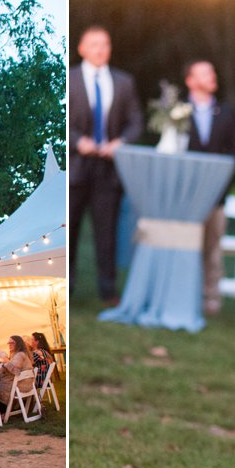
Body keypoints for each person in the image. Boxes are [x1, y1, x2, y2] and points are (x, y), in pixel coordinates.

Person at [68, 25, 144, 305]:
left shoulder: (124, 81)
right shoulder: (70, 78)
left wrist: (121, 142)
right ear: (82, 48)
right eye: (94, 44)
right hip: (77, 166)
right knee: (71, 229)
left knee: (107, 231)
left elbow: (136, 122)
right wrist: (77, 142)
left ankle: (108, 289)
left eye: (105, 44)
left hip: (109, 167)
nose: (100, 49)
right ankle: (68, 287)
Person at [183, 59, 235, 315]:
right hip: (186, 196)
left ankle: (211, 300)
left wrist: (221, 181)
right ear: (190, 80)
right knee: (187, 246)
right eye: (205, 72)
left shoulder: (225, 112)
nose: (212, 76)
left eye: (212, 71)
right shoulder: (176, 112)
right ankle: (186, 296)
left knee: (213, 249)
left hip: (217, 196)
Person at [0, 335, 34, 411]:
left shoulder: (19, 355)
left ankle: (3, 411)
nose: (10, 345)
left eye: (12, 343)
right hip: (27, 384)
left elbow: (16, 371)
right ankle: (6, 409)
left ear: (18, 343)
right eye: (8, 343)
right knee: (0, 381)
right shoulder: (21, 353)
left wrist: (6, 361)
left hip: (21, 386)